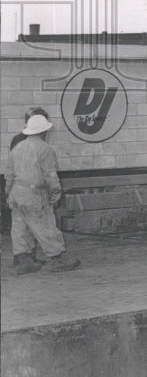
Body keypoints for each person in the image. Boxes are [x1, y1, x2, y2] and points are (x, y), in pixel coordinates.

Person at [6, 114, 80, 274]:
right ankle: (58, 258)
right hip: (34, 195)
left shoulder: (17, 147)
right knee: (45, 225)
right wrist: (56, 192)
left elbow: (9, 174)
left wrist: (7, 193)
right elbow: (50, 174)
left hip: (16, 194)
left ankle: (24, 261)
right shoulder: (45, 149)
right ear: (44, 132)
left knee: (20, 227)